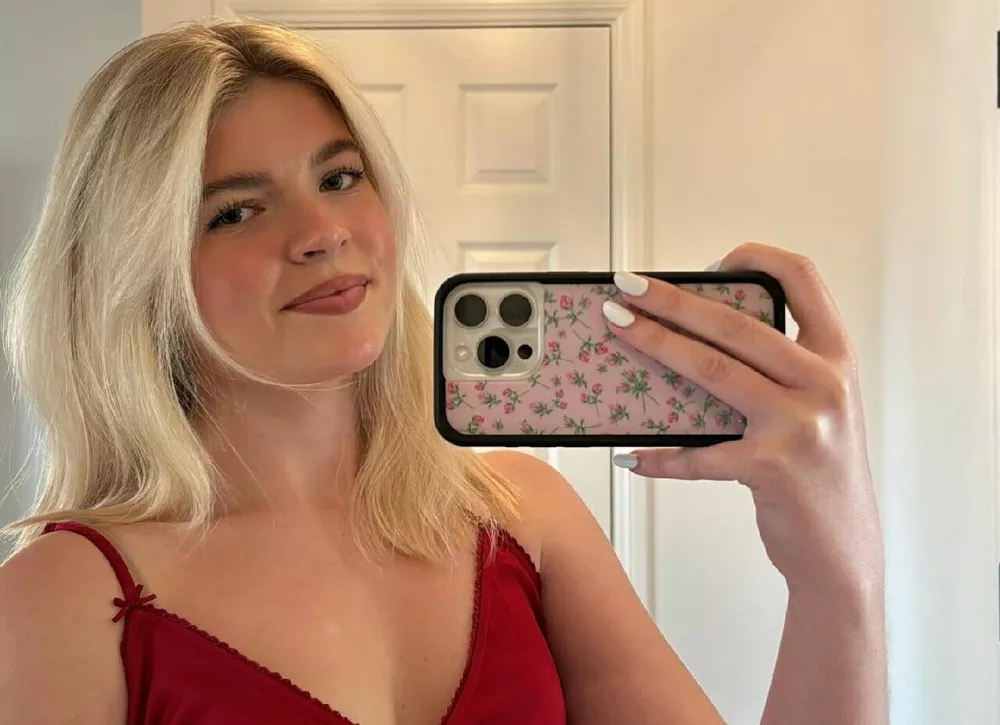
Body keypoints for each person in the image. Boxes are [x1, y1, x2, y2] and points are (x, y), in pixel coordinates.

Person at [0, 18, 887, 725]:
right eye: (235, 212)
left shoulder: (522, 517)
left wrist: (836, 578)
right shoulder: (67, 596)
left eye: (340, 177)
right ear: (136, 272)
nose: (322, 231)